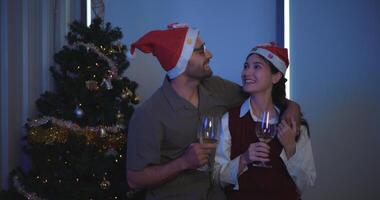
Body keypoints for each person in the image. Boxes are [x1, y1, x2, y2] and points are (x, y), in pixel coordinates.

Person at [126, 23, 301, 200]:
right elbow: (134, 179)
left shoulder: (216, 87)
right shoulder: (149, 114)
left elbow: (260, 94)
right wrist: (183, 163)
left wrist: (292, 107)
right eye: (201, 51)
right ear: (181, 61)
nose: (210, 55)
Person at [214, 43, 316, 200]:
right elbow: (217, 177)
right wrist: (243, 159)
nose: (247, 72)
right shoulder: (229, 120)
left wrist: (290, 148)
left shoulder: (294, 125)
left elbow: (305, 183)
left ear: (276, 76)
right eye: (246, 66)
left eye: (257, 67)